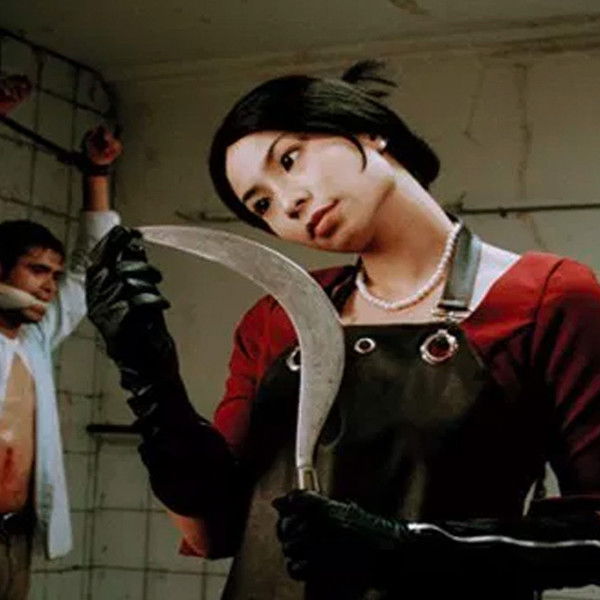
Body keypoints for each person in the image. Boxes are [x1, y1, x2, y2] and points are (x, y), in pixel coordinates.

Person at [86, 62, 600, 599]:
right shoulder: (279, 316)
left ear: (367, 130)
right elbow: (213, 530)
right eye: (262, 204)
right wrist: (150, 380)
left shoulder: (547, 299)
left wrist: (408, 548)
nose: (288, 203)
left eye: (289, 159)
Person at [0, 101, 122, 598]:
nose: (50, 286)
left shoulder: (35, 339)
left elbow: (93, 262)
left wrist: (97, 173)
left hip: (14, 536)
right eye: (36, 271)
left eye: (53, 274)